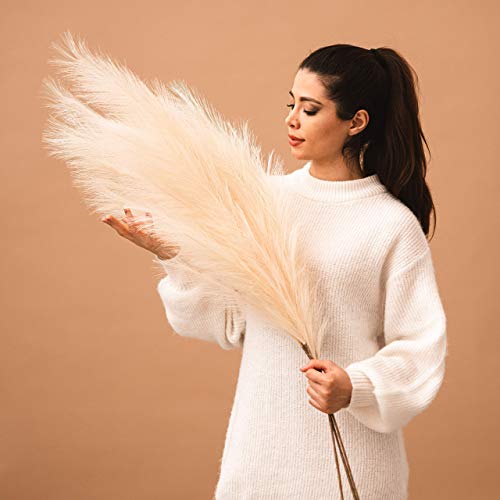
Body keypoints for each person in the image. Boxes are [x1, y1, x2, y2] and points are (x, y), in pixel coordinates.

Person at [102, 44, 448, 500]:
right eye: (291, 104)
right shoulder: (262, 204)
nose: (291, 120)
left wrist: (354, 386)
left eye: (310, 109)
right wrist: (174, 256)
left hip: (356, 464)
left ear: (356, 122)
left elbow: (420, 349)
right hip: (260, 458)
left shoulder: (391, 225)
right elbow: (227, 322)